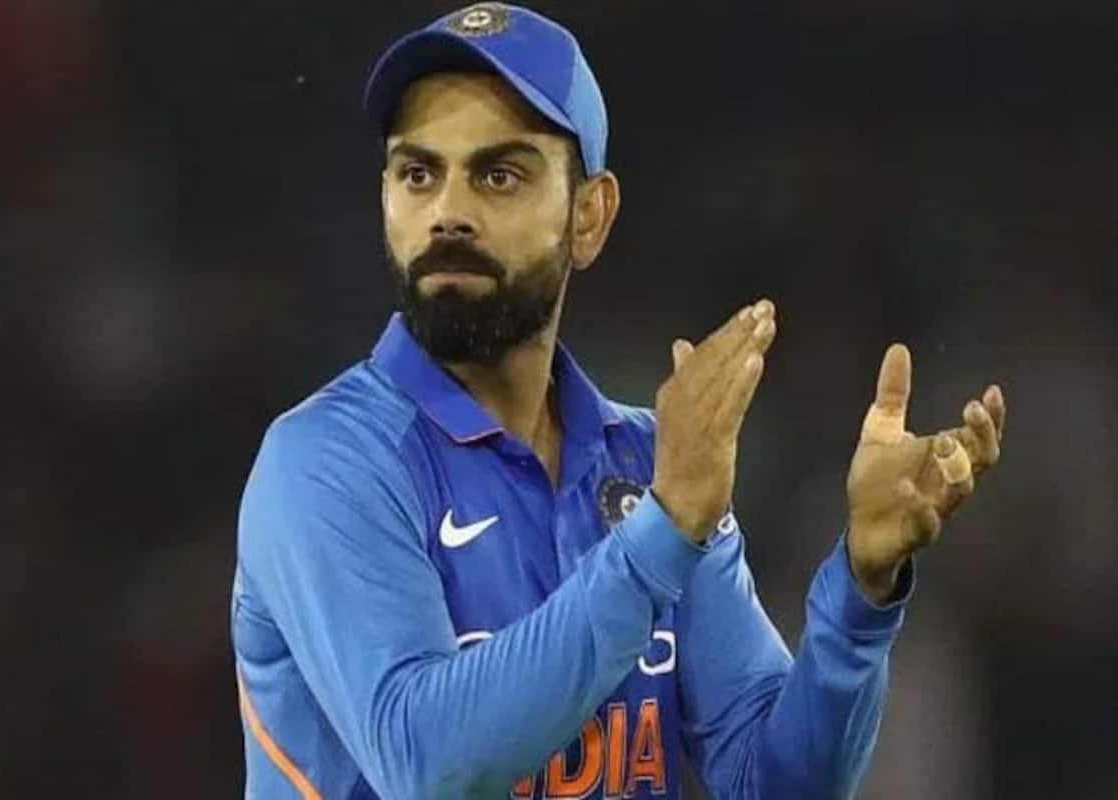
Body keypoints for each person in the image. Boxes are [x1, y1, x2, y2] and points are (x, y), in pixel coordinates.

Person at [230, 4, 1008, 798]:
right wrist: (663, 531)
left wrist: (862, 592)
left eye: (499, 175)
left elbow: (776, 785)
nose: (448, 212)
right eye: (417, 173)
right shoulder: (327, 462)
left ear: (589, 216)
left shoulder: (647, 463)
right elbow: (426, 764)